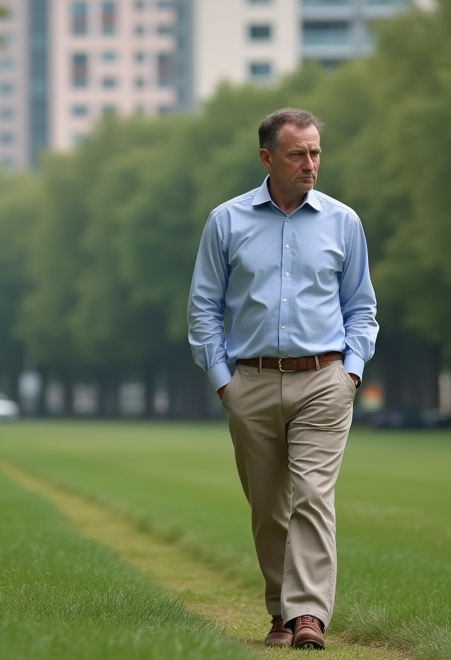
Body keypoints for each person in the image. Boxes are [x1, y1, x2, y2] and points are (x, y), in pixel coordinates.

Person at [187, 107, 377, 650]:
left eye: (316, 152)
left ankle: (310, 616)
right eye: (298, 154)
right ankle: (281, 612)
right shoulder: (226, 222)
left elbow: (362, 306)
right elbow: (203, 308)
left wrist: (352, 372)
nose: (310, 163)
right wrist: (224, 381)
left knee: (312, 496)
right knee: (269, 506)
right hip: (249, 382)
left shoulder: (344, 222)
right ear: (267, 158)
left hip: (324, 380)